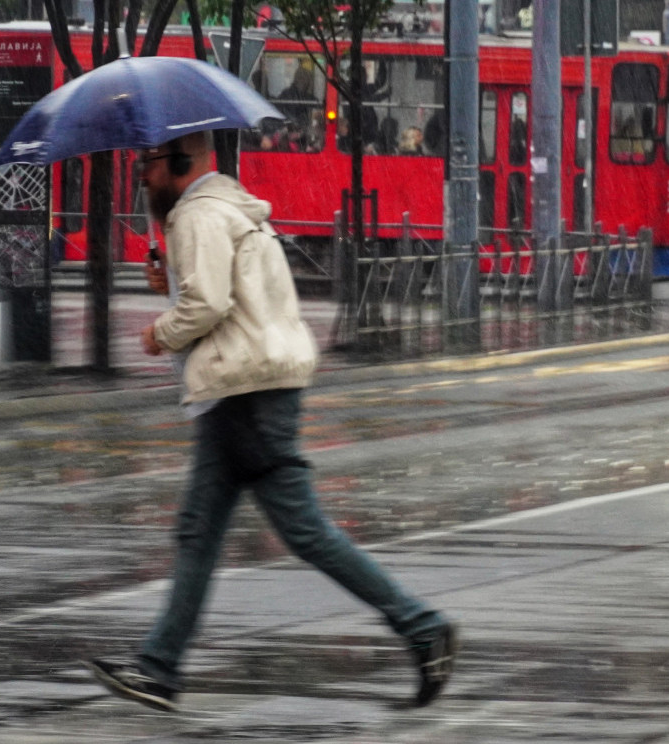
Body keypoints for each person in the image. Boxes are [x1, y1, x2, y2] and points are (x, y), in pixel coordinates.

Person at [84, 131, 459, 712]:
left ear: (181, 162)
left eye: (150, 163)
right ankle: (159, 669)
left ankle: (422, 627)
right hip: (248, 389)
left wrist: (160, 332)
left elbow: (207, 305)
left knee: (302, 531)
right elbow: (227, 295)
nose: (143, 174)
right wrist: (172, 286)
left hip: (246, 395)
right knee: (198, 533)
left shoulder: (199, 215)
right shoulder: (233, 209)